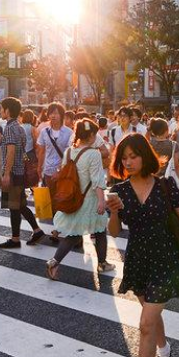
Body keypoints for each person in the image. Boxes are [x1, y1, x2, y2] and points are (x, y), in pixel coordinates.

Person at [106, 134, 179, 357]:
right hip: (138, 259)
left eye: (133, 156)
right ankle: (164, 350)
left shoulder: (165, 185)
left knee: (146, 322)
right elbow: (114, 232)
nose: (128, 162)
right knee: (151, 314)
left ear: (145, 156)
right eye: (124, 158)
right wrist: (113, 211)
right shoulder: (120, 190)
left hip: (165, 259)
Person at [45, 119, 114, 279]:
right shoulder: (93, 154)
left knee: (74, 234)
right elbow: (97, 180)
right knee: (100, 230)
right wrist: (102, 201)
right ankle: (102, 264)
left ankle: (54, 261)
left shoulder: (69, 151)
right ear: (90, 136)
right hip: (90, 199)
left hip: (73, 198)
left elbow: (63, 171)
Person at [0, 98, 45, 249]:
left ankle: (15, 239)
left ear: (7, 110)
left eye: (2, 108)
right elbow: (22, 151)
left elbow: (11, 151)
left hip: (13, 173)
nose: (0, 111)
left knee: (14, 206)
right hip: (19, 171)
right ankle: (37, 230)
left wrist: (6, 174)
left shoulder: (10, 128)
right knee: (20, 205)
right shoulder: (19, 127)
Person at [36, 102, 74, 210]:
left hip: (64, 171)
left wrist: (60, 171)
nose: (53, 116)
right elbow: (41, 151)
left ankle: (62, 223)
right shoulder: (44, 132)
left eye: (56, 113)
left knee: (62, 198)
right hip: (48, 169)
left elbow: (70, 154)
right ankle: (55, 223)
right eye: (51, 113)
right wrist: (39, 167)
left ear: (61, 115)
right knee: (51, 198)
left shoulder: (69, 132)